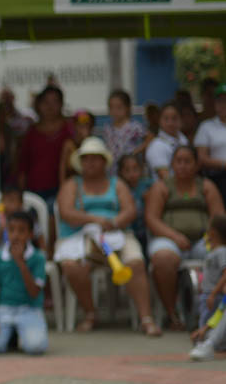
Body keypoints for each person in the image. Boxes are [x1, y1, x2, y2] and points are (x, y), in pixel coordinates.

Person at [55, 137, 158, 335]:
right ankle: (90, 314)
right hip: (81, 236)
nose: (90, 162)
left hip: (117, 234)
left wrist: (114, 223)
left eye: (95, 158)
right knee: (71, 266)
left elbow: (130, 210)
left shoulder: (116, 183)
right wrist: (95, 220)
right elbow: (66, 212)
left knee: (135, 262)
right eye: (86, 159)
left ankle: (146, 319)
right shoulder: (72, 185)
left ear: (104, 162)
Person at [144, 145, 224, 330]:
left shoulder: (206, 186)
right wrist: (174, 236)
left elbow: (218, 218)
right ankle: (172, 314)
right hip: (168, 238)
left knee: (221, 256)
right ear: (172, 164)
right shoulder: (162, 187)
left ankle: (214, 311)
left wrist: (209, 237)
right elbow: (151, 219)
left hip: (203, 240)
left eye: (187, 161)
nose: (182, 166)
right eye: (178, 161)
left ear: (196, 165)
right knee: (163, 259)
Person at [0, 211, 48, 355]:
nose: (16, 235)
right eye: (11, 230)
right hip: (4, 309)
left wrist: (21, 262)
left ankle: (20, 331)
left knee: (36, 347)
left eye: (22, 231)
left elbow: (34, 292)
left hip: (29, 308)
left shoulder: (38, 258)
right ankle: (11, 333)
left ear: (31, 234)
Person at [18, 85, 73, 210]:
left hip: (61, 190)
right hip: (34, 189)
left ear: (61, 104)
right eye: (46, 102)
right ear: (39, 105)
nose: (50, 106)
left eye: (55, 102)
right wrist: (21, 192)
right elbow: (23, 165)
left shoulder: (69, 130)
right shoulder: (31, 132)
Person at [190, 215, 226, 361]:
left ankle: (210, 343)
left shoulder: (222, 251)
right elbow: (221, 311)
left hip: (213, 295)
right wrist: (203, 329)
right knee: (208, 321)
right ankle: (208, 340)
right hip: (213, 298)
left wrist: (214, 293)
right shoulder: (212, 252)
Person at [0, 185, 44, 252]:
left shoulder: (27, 218)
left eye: (11, 201)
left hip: (25, 254)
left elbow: (39, 235)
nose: (7, 204)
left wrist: (44, 252)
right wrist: (1, 231)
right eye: (4, 201)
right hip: (2, 257)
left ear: (21, 203)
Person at [194, 83, 226, 202]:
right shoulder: (206, 126)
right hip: (217, 178)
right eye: (220, 101)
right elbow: (202, 158)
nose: (223, 105)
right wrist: (224, 164)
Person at [116, 155, 151, 250]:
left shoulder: (148, 185)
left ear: (141, 170)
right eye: (127, 170)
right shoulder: (118, 187)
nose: (131, 173)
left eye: (135, 169)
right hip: (127, 229)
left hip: (145, 229)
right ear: (120, 172)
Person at [145, 103, 187, 179]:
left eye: (174, 118)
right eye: (166, 119)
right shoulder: (156, 146)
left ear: (181, 120)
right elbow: (165, 177)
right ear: (159, 121)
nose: (170, 123)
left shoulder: (184, 140)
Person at [102, 89, 147, 162]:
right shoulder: (107, 128)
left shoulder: (135, 127)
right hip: (112, 167)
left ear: (128, 108)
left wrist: (136, 151)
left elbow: (148, 140)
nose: (115, 111)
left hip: (130, 166)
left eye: (119, 107)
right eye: (111, 107)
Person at [59, 110, 96, 183]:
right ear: (75, 126)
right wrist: (62, 185)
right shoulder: (69, 144)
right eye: (80, 125)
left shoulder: (93, 143)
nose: (84, 128)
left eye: (87, 125)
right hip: (71, 184)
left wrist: (86, 139)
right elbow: (62, 168)